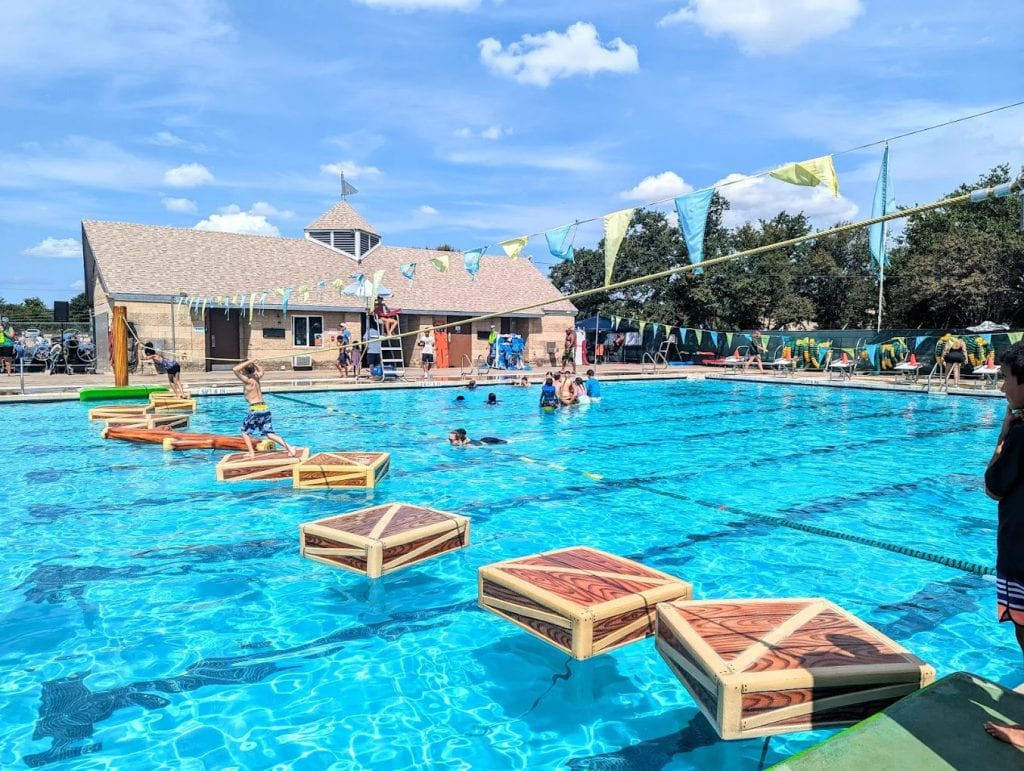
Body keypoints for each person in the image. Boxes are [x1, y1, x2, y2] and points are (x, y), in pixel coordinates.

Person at [984, 342, 1024, 749]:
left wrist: (1003, 433)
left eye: (1006, 379)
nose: (1001, 388)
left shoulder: (1022, 432)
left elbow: (993, 487)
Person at [232, 358, 296, 458]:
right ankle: (289, 447)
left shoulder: (247, 380)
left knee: (245, 432)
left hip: (256, 410)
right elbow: (262, 371)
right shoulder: (257, 377)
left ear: (244, 370)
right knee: (269, 433)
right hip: (265, 409)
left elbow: (235, 369)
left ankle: (251, 453)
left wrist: (249, 362)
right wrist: (254, 363)